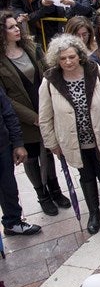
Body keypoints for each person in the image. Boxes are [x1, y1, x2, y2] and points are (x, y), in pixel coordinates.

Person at [39, 34, 100, 235]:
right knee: (86, 177)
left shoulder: (96, 71)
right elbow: (45, 116)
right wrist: (53, 143)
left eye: (72, 56)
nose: (68, 62)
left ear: (79, 55)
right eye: (63, 58)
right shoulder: (50, 80)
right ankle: (94, 213)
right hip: (74, 142)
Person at [0, 11, 71, 216]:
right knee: (31, 158)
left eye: (16, 25)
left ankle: (55, 190)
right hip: (23, 119)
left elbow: (49, 73)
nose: (17, 29)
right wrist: (32, 118)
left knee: (48, 151)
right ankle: (42, 195)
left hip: (44, 109)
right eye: (11, 27)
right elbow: (5, 99)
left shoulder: (32, 47)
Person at [0, 85, 42, 236]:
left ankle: (13, 222)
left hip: (2, 147)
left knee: (8, 187)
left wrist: (18, 143)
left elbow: (8, 112)